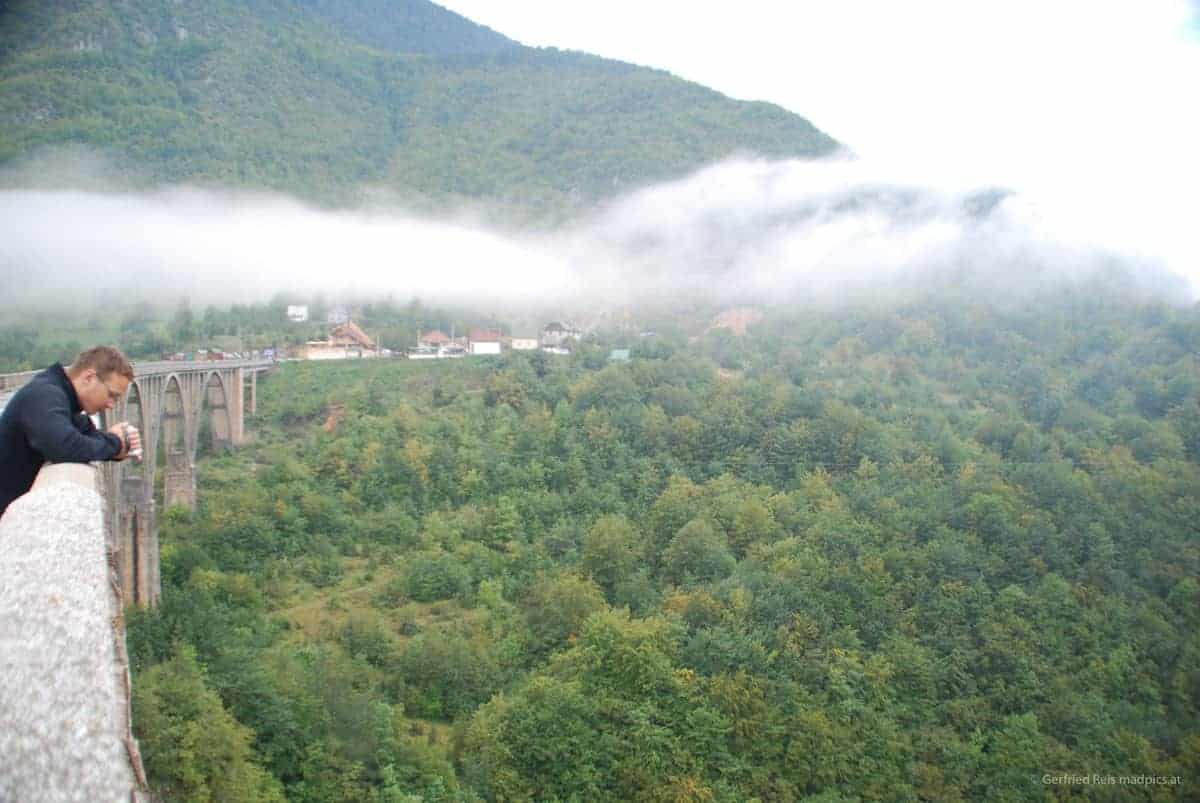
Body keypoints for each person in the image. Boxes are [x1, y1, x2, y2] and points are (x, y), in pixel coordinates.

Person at [0, 345, 142, 518]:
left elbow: (85, 433)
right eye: (111, 395)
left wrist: (118, 443)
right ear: (89, 377)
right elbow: (65, 447)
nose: (111, 404)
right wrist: (115, 444)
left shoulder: (62, 396)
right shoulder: (45, 395)